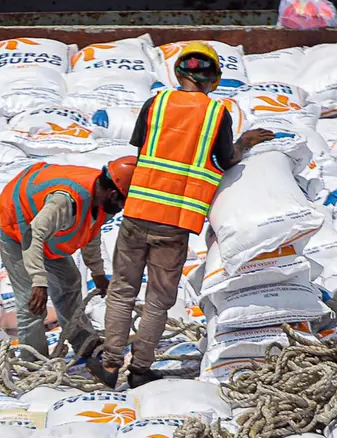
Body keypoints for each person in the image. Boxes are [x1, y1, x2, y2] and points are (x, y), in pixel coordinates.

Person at [90, 43, 275, 389]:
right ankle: (141, 369)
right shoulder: (216, 114)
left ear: (177, 74)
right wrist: (245, 141)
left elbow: (142, 147)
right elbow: (226, 159)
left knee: (122, 290)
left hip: (138, 212)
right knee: (159, 298)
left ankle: (110, 364)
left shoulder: (156, 103)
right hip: (174, 222)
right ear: (215, 79)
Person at [0, 156, 138, 358]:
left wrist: (97, 273)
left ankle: (84, 343)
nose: (123, 208)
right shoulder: (65, 201)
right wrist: (39, 282)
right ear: (113, 194)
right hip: (15, 227)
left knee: (69, 281)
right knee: (32, 302)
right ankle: (32, 364)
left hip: (43, 231)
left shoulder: (102, 201)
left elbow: (91, 232)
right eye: (124, 202)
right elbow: (33, 236)